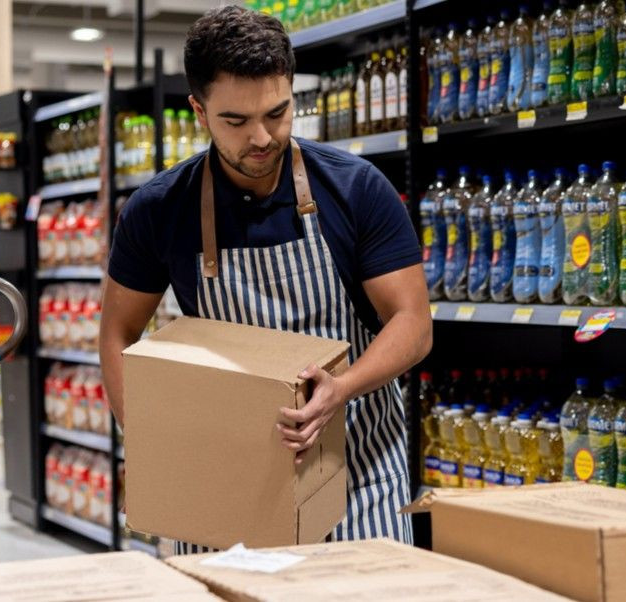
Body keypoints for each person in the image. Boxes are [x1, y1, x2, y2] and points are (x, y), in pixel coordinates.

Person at [99, 5, 432, 553]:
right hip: (224, 485)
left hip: (357, 479)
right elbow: (117, 332)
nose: (261, 137)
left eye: (277, 113)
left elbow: (413, 324)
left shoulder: (355, 189)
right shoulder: (159, 210)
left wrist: (339, 389)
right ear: (199, 112)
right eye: (235, 121)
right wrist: (150, 439)